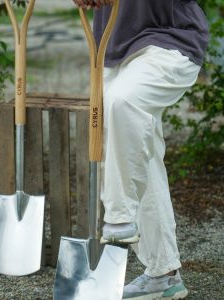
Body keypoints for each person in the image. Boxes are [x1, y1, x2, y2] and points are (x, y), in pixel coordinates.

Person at [73, 0, 209, 299]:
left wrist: (119, 213)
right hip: (113, 45)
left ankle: (119, 218)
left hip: (171, 39)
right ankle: (163, 273)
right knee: (133, 152)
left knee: (124, 102)